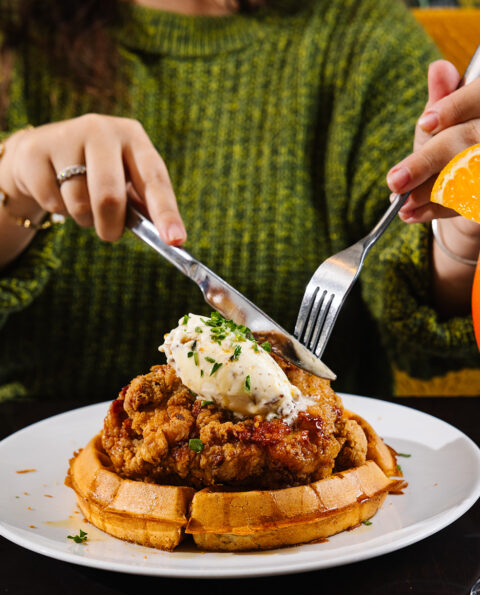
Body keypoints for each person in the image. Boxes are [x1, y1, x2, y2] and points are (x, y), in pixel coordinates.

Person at [0, 0, 479, 405]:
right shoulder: (14, 32)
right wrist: (11, 182)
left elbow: (420, 337)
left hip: (315, 472)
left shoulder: (365, 35)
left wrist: (460, 234)